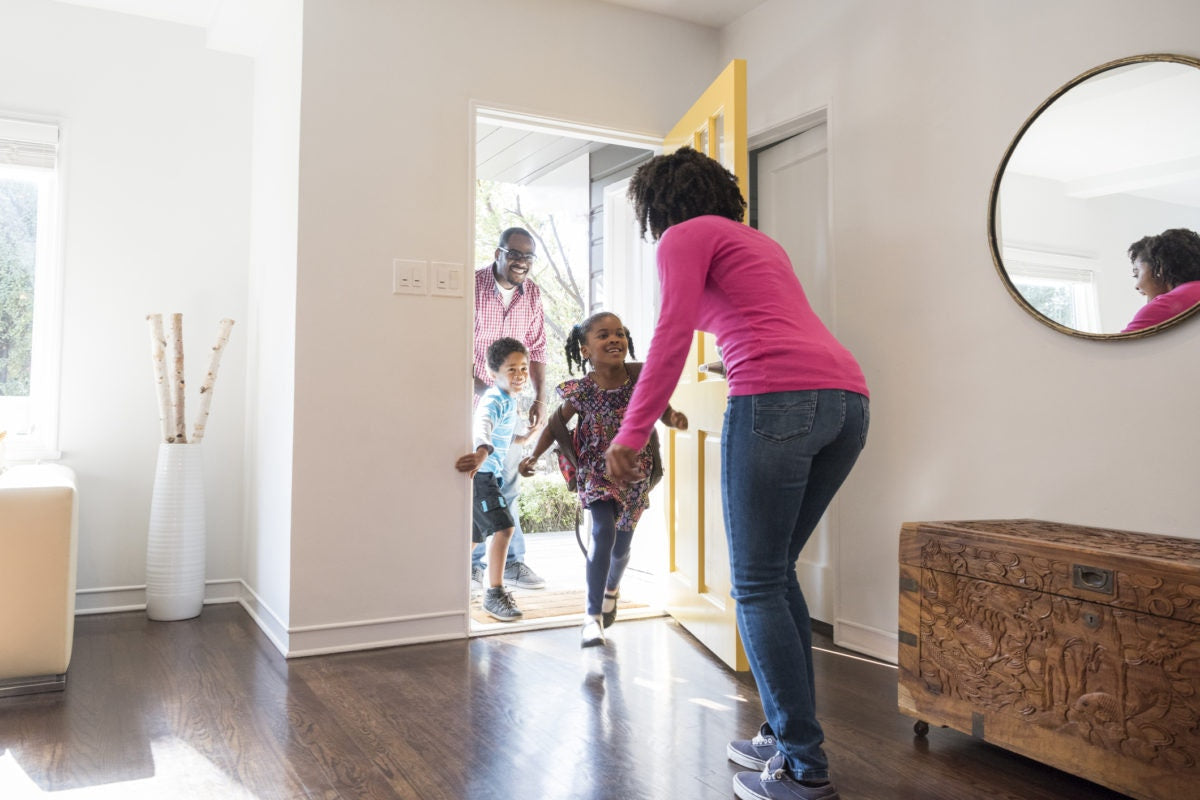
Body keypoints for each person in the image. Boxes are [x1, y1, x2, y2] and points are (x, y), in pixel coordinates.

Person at [605, 148, 869, 800]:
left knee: (753, 582)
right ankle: (784, 736)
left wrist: (631, 433)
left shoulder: (683, 236)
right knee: (775, 572)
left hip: (778, 401)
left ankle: (803, 771)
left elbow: (669, 334)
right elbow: (762, 323)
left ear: (658, 204)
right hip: (847, 402)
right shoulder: (756, 242)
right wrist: (731, 366)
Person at [518, 312, 687, 648]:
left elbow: (660, 407)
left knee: (622, 545)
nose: (614, 339)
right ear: (584, 350)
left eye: (620, 333)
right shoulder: (582, 389)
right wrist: (534, 456)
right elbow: (555, 424)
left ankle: (612, 588)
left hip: (635, 471)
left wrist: (673, 418)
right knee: (602, 531)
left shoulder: (640, 378)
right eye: (603, 335)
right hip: (595, 470)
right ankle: (591, 616)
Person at [471, 227, 548, 590]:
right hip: (473, 406)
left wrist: (540, 398)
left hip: (512, 406)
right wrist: (491, 395)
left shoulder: (532, 295)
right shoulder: (471, 288)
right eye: (515, 254)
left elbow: (538, 349)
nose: (521, 263)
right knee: (475, 484)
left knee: (510, 484)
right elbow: (453, 346)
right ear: (498, 253)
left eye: (528, 257)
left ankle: (514, 564)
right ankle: (472, 565)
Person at [455, 337, 537, 621]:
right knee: (505, 528)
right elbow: (484, 426)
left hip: (491, 475)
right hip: (484, 475)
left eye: (524, 368)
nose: (519, 375)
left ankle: (447, 583)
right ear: (493, 374)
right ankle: (495, 592)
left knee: (475, 536)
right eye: (512, 369)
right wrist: (481, 451)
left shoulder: (509, 399)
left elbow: (501, 432)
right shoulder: (493, 398)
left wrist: (522, 438)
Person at [1122, 227, 1200, 333]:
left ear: (1159, 268)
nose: (1136, 286)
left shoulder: (1162, 308)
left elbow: (1120, 347)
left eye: (1137, 273)